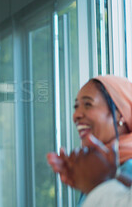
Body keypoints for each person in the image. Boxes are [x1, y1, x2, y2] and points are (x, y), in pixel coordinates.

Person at [47, 75, 132, 206]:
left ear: (119, 114)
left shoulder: (127, 167)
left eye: (88, 104)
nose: (76, 115)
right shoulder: (104, 172)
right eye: (76, 106)